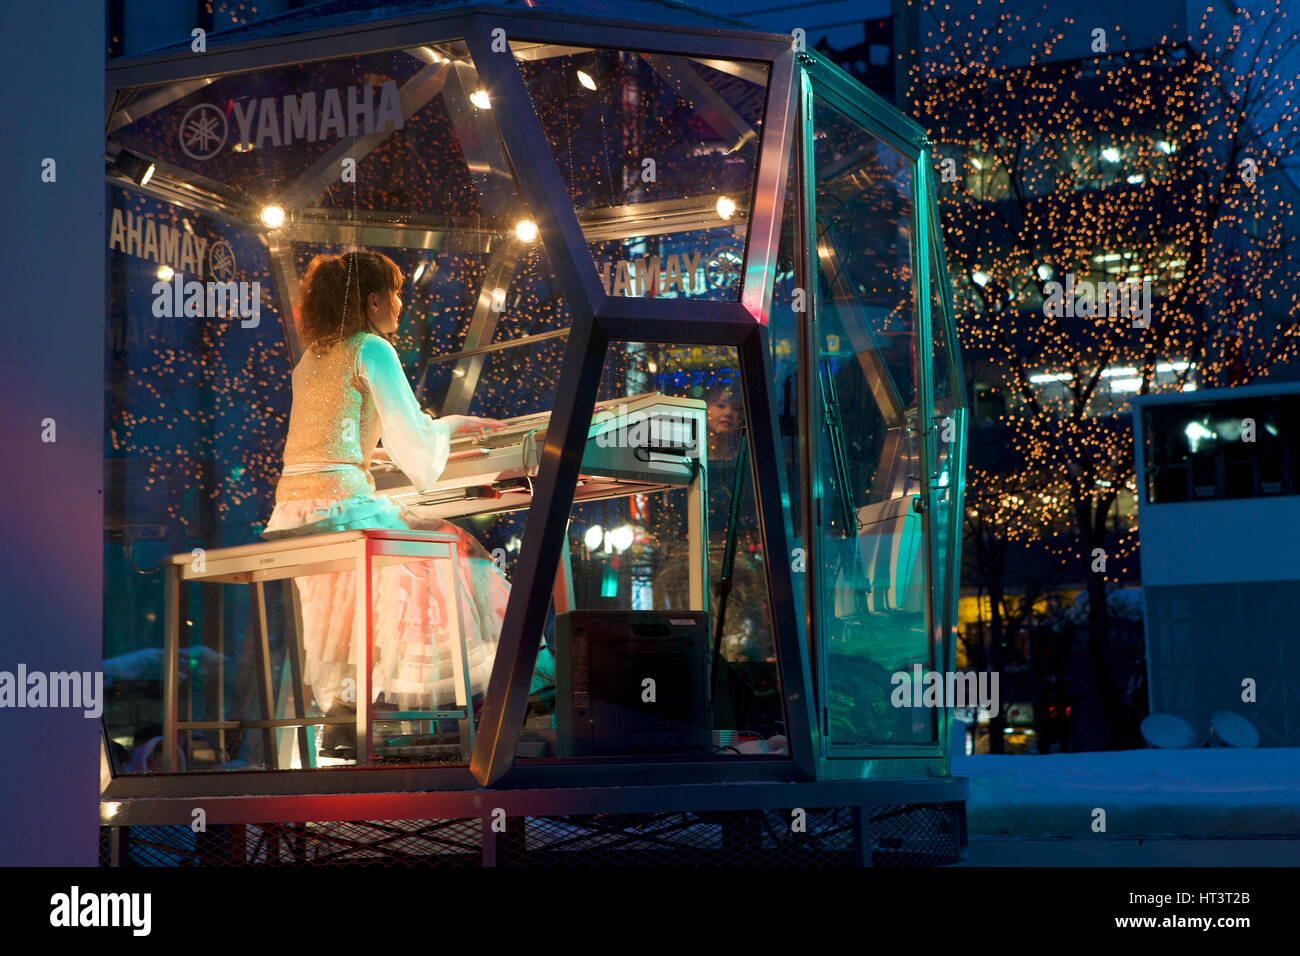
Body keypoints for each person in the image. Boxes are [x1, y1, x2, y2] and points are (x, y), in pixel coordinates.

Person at [262, 250, 512, 759]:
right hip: (338, 508)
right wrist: (450, 427)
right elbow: (418, 454)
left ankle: (348, 718)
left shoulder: (313, 357)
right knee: (454, 550)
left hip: (293, 512)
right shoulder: (372, 348)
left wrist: (371, 454)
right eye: (395, 294)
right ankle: (474, 710)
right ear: (374, 300)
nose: (400, 305)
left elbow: (329, 441)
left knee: (367, 589)